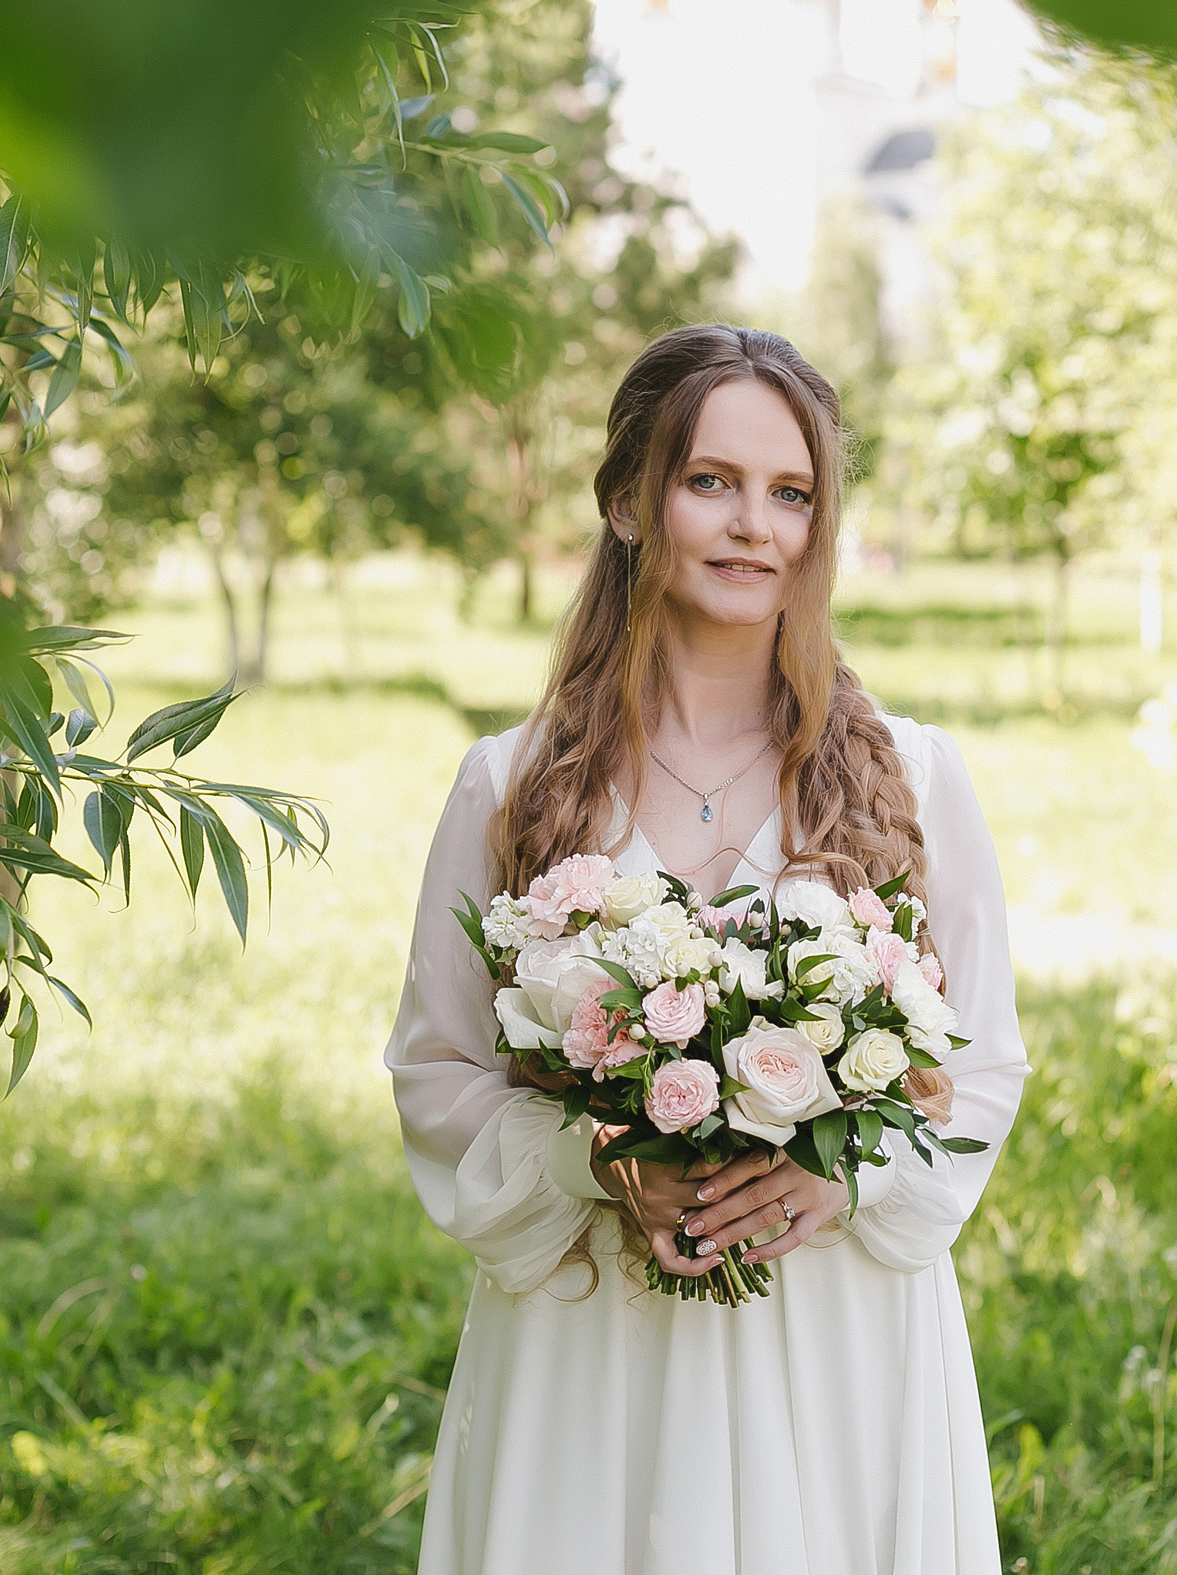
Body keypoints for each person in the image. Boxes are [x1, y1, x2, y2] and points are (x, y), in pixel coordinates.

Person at [384, 324, 1029, 1575]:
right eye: (710, 482)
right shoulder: (510, 785)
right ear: (630, 501)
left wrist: (843, 1179)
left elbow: (984, 1065)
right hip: (598, 1340)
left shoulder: (915, 775)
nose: (754, 527)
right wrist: (596, 1162)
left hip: (836, 1332)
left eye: (790, 494)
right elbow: (437, 1072)